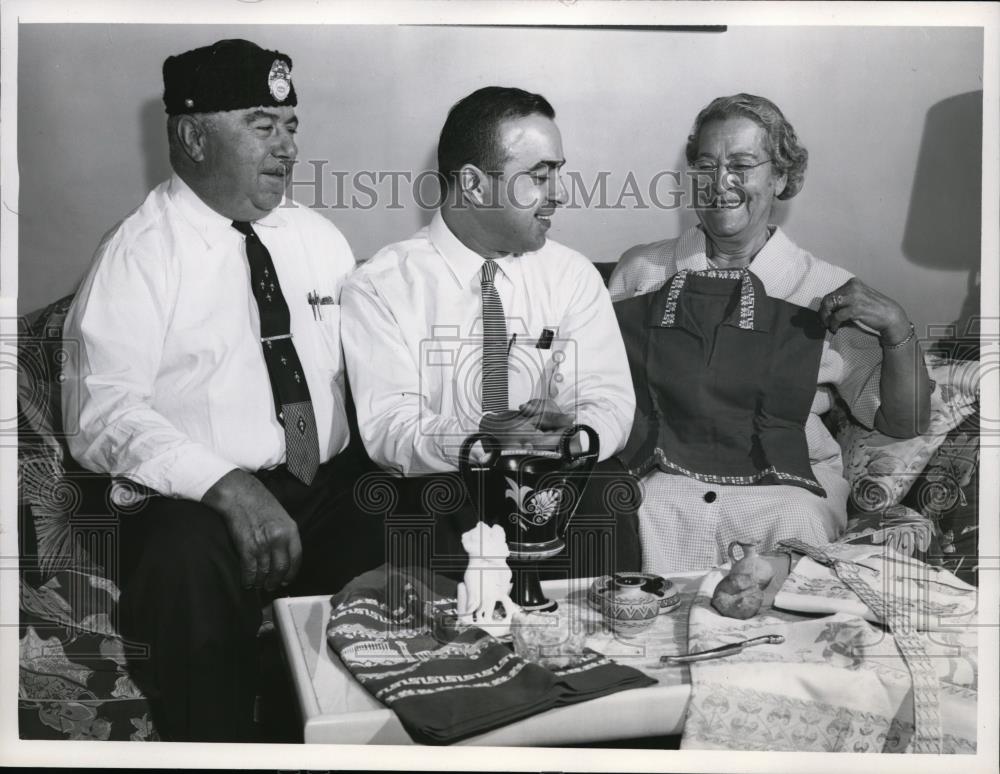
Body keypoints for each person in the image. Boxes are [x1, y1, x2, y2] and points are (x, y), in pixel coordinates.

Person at [61, 39, 378, 742]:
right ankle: (217, 743)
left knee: (415, 516)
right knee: (183, 564)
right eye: (262, 125)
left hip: (320, 484)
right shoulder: (141, 253)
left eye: (291, 126)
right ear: (192, 135)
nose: (287, 148)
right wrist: (229, 485)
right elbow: (102, 415)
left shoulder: (316, 236)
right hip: (194, 502)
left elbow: (365, 365)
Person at [609, 93, 931, 575]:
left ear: (779, 176)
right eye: (705, 165)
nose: (721, 183)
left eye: (742, 164)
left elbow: (903, 422)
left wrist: (897, 327)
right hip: (662, 484)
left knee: (792, 524)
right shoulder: (644, 272)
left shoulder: (823, 289)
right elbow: (600, 388)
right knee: (629, 510)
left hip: (787, 490)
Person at [341, 86, 639, 573]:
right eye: (539, 177)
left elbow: (607, 398)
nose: (558, 195)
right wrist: (488, 441)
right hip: (445, 484)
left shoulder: (572, 275)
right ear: (475, 185)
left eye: (557, 174)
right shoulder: (381, 286)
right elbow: (390, 432)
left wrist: (571, 441)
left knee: (606, 491)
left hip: (556, 476)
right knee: (399, 511)